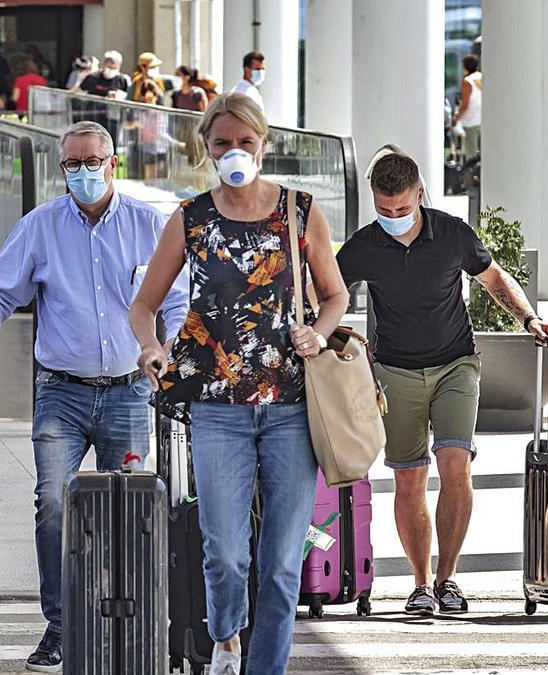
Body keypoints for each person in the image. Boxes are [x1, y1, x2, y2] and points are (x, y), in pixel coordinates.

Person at [129, 94, 348, 675]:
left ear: (264, 145)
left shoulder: (299, 211)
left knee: (279, 564)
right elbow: (144, 305)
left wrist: (318, 333)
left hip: (291, 408)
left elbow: (336, 294)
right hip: (216, 409)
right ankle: (226, 638)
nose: (234, 153)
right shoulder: (191, 217)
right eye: (222, 143)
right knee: (225, 554)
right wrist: (151, 346)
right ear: (206, 149)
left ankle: (264, 669)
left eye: (245, 143)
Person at [0, 120, 188, 672]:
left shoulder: (147, 225)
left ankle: (127, 619)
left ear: (114, 164)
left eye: (94, 162)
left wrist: (166, 350)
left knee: (133, 508)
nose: (84, 172)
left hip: (130, 391)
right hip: (60, 391)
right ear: (62, 168)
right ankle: (61, 626)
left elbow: (178, 301)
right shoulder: (41, 226)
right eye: (73, 164)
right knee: (55, 505)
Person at [336, 150, 548, 617]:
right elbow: (327, 292)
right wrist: (330, 335)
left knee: (456, 464)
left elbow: (495, 279)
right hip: (394, 371)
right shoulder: (364, 245)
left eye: (401, 208)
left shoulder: (452, 232)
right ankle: (420, 586)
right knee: (409, 478)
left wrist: (529, 318)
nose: (393, 217)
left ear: (419, 193)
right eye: (383, 209)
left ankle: (447, 578)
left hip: (456, 363)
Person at [451, 54, 483, 159]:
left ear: (465, 66)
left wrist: (456, 119)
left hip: (471, 122)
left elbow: (465, 105)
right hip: (482, 121)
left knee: (472, 155)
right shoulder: (481, 77)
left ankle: (473, 175)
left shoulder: (467, 81)